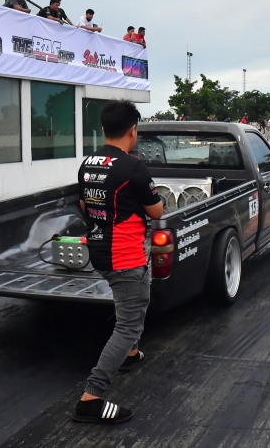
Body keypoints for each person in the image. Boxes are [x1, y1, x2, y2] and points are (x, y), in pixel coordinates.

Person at [72, 100, 163, 424]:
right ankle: (91, 397)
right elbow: (156, 211)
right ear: (133, 130)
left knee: (139, 300)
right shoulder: (133, 167)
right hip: (125, 255)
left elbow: (84, 202)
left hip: (99, 249)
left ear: (104, 130)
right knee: (128, 324)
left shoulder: (88, 164)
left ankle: (130, 353)